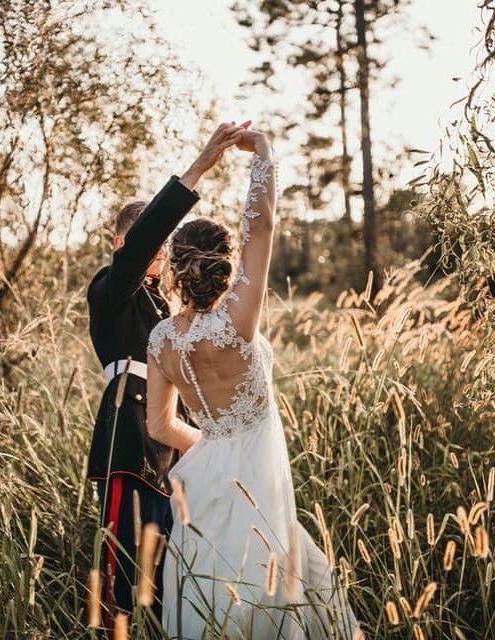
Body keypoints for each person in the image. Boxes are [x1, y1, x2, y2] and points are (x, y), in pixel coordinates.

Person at [145, 128, 362, 638]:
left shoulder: (160, 340)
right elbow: (259, 228)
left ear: (175, 269)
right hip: (259, 476)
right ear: (224, 266)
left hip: (205, 476)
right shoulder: (239, 320)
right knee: (279, 590)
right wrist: (263, 151)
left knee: (214, 597)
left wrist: (215, 446)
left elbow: (159, 425)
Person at [85, 121, 251, 630]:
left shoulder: (166, 310)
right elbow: (141, 246)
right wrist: (198, 168)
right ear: (122, 244)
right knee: (120, 581)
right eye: (149, 248)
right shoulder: (110, 291)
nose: (158, 258)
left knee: (165, 581)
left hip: (176, 451)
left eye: (161, 253)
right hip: (130, 444)